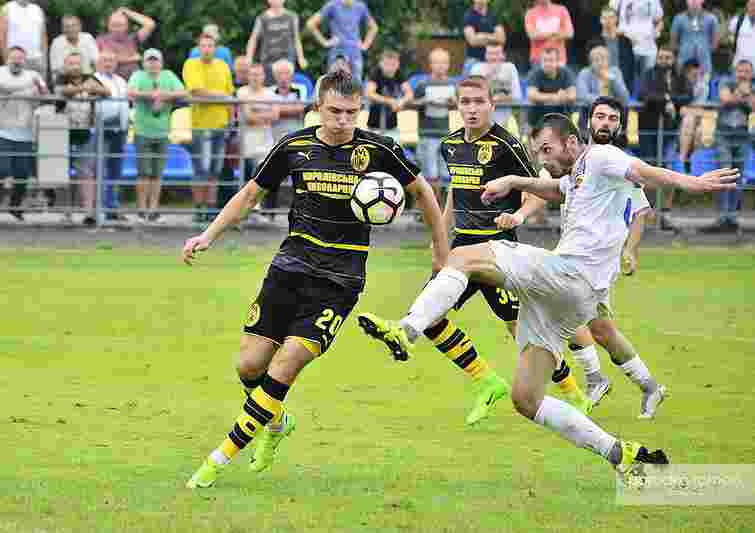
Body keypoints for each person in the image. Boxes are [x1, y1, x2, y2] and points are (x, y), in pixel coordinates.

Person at [357, 105, 737, 474]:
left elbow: (644, 171)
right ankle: (619, 453)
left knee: (461, 256)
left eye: (546, 149)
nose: (543, 158)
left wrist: (694, 182)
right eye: (538, 152)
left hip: (570, 274)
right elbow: (556, 188)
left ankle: (407, 329)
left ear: (571, 142)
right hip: (575, 298)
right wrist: (515, 181)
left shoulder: (601, 156)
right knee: (526, 399)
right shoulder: (580, 173)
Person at [183, 70, 450, 489]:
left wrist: (440, 251)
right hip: (290, 267)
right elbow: (250, 195)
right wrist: (208, 234)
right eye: (335, 111)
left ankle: (217, 460)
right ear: (317, 108)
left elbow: (424, 193)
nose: (343, 120)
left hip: (339, 281)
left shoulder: (379, 150)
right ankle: (277, 423)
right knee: (249, 365)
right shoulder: (295, 146)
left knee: (285, 365)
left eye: (351, 113)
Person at [395, 75, 591, 424]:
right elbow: (455, 192)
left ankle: (575, 395)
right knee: (429, 317)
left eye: (478, 102)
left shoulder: (507, 145)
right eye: (465, 102)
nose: (472, 109)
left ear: (492, 104)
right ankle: (487, 381)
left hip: (499, 253)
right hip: (461, 251)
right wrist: (440, 237)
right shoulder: (450, 145)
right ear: (457, 105)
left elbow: (541, 188)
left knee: (522, 333)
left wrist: (518, 216)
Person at [638, 45, 693, 231]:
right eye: (661, 57)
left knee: (668, 173)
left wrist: (669, 100)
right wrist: (666, 101)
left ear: (673, 59)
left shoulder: (680, 76)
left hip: (670, 131)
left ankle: (664, 214)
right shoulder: (648, 74)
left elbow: (688, 95)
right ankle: (647, 215)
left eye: (667, 58)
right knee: (648, 172)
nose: (664, 61)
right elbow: (644, 95)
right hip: (648, 130)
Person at [128, 48, 186, 223]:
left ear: (161, 63)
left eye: (156, 61)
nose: (153, 64)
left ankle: (153, 210)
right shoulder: (138, 75)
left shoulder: (168, 75)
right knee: (143, 173)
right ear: (144, 63)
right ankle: (141, 210)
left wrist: (164, 96)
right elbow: (130, 92)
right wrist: (151, 96)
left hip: (162, 132)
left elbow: (183, 92)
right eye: (150, 60)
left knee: (157, 174)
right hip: (142, 131)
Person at [182, 32, 234, 223]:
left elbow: (230, 95)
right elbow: (196, 91)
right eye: (203, 46)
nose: (206, 49)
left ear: (215, 48)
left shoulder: (223, 66)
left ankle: (210, 210)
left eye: (210, 46)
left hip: (221, 125)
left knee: (214, 171)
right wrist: (221, 96)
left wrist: (231, 119)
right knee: (200, 170)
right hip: (201, 125)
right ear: (198, 48)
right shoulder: (191, 64)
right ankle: (199, 209)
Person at [55, 52, 110, 227]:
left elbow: (106, 92)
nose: (75, 67)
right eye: (71, 63)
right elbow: (62, 91)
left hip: (85, 132)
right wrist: (85, 88)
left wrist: (91, 87)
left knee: (86, 173)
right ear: (65, 65)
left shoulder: (90, 78)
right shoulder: (60, 78)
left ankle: (88, 213)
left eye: (77, 63)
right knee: (61, 173)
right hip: (62, 132)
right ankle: (66, 213)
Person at [701, 59, 754, 233]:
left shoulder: (752, 87)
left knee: (738, 177)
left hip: (742, 136)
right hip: (723, 135)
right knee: (724, 175)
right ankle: (722, 216)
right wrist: (741, 93)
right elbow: (725, 99)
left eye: (747, 71)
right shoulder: (726, 81)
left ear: (751, 73)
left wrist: (746, 95)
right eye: (740, 71)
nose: (743, 75)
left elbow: (753, 106)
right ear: (735, 71)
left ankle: (732, 217)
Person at [0, 45, 47, 220]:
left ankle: (16, 206)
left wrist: (38, 90)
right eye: (13, 57)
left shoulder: (33, 76)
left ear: (25, 61)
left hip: (25, 132)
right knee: (2, 169)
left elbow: (45, 92)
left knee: (22, 173)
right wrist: (25, 91)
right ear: (7, 59)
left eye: (20, 58)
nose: (17, 61)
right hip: (2, 131)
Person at [413, 48, 456, 203]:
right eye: (437, 62)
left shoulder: (452, 84)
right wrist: (424, 101)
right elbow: (412, 103)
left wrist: (453, 103)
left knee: (446, 174)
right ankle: (430, 207)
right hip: (427, 134)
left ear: (448, 64)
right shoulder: (423, 84)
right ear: (430, 64)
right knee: (430, 174)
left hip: (446, 134)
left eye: (443, 62)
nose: (440, 66)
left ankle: (444, 208)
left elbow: (459, 106)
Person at [94, 50, 130, 222]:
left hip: (120, 129)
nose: (108, 63)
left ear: (116, 63)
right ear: (98, 63)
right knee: (100, 169)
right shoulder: (94, 79)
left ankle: (112, 206)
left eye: (111, 60)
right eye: (105, 60)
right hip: (101, 128)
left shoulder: (121, 81)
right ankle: (100, 207)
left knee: (115, 170)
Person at [306, 0, 378, 83]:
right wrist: (325, 42)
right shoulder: (332, 5)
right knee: (335, 84)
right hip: (338, 52)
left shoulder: (360, 7)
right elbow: (310, 23)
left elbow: (374, 27)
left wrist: (365, 45)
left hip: (355, 53)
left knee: (356, 84)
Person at [247, 0, 308, 83]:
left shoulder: (292, 17)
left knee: (285, 84)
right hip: (268, 60)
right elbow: (253, 39)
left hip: (287, 58)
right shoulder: (262, 18)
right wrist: (249, 57)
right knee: (270, 85)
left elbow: (296, 39)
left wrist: (301, 57)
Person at [469, 44, 522, 129]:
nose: (493, 57)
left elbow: (517, 96)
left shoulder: (510, 68)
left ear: (503, 55)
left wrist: (502, 98)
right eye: (490, 54)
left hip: (506, 121)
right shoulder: (477, 68)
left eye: (497, 53)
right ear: (485, 55)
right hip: (481, 120)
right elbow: (472, 96)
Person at [96, 7, 156, 82]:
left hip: (134, 81)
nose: (117, 29)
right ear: (108, 25)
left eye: (120, 25)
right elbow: (103, 61)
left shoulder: (133, 38)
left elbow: (150, 24)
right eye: (113, 25)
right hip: (112, 82)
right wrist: (132, 59)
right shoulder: (101, 40)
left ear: (126, 26)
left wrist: (127, 12)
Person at [365, 48, 413, 139]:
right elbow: (369, 93)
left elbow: (409, 94)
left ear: (398, 64)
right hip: (375, 127)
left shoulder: (399, 74)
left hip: (392, 127)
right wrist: (389, 101)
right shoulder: (376, 73)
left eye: (393, 65)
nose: (390, 68)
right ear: (381, 64)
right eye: (387, 64)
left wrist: (401, 101)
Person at [610, 0, 663, 78]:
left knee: (647, 80)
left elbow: (659, 20)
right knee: (625, 78)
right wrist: (623, 34)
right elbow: (609, 20)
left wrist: (656, 32)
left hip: (648, 47)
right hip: (625, 45)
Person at [526, 47, 576, 129]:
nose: (548, 64)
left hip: (561, 118)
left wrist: (542, 97)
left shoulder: (566, 72)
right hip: (537, 119)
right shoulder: (534, 73)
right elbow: (531, 95)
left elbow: (572, 96)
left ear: (558, 61)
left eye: (551, 60)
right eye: (545, 60)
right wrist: (556, 97)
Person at [670, 0, 719, 77]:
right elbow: (673, 42)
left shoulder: (712, 18)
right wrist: (684, 49)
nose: (693, 1)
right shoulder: (678, 18)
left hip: (704, 61)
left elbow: (715, 43)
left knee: (704, 82)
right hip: (684, 60)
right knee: (682, 82)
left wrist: (704, 49)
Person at [0, 0, 47, 78]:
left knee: (38, 85)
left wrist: (44, 60)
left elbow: (43, 36)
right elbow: (2, 37)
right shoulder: (7, 8)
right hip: (16, 61)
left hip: (36, 60)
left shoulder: (38, 10)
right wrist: (7, 61)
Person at [576, 42, 629, 107]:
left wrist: (613, 80)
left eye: (603, 59)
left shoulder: (615, 72)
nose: (600, 63)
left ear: (608, 61)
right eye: (596, 60)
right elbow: (581, 96)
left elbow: (625, 98)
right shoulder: (585, 73)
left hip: (612, 108)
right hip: (591, 109)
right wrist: (606, 101)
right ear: (591, 63)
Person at [525, 0, 573, 67]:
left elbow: (569, 33)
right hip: (538, 60)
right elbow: (532, 35)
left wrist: (541, 34)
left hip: (559, 60)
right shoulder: (530, 13)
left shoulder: (562, 10)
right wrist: (555, 33)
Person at [462, 0, 505, 74]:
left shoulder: (493, 15)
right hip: (474, 60)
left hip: (493, 60)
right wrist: (493, 37)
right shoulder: (468, 16)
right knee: (471, 80)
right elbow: (472, 41)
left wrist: (482, 36)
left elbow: (502, 39)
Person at [50, 14, 98, 79]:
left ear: (80, 27)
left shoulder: (88, 38)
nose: (71, 29)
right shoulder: (57, 43)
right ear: (62, 29)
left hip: (87, 78)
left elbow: (96, 61)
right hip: (65, 79)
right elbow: (56, 68)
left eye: (74, 25)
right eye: (67, 26)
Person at [600, 6, 635, 96]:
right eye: (605, 18)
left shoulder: (626, 41)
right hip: (601, 84)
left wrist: (628, 87)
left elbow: (630, 66)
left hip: (622, 84)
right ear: (601, 20)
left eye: (611, 17)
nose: (608, 21)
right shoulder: (594, 42)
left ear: (616, 19)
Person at [729, 0, 755, 71]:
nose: (754, 8)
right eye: (752, 5)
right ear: (747, 6)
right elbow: (730, 36)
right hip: (739, 64)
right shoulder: (737, 20)